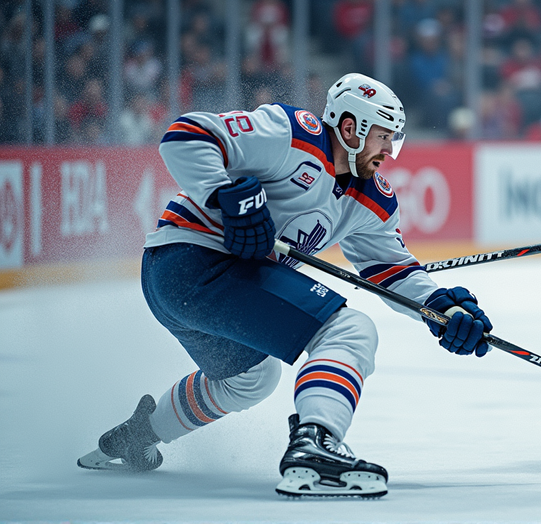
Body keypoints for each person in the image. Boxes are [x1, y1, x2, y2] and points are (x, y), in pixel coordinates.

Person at [77, 73, 494, 498]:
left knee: (252, 379)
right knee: (349, 329)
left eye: (394, 141)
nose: (389, 151)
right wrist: (225, 195)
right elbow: (186, 135)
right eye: (384, 137)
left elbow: (393, 271)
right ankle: (316, 443)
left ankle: (138, 435)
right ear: (351, 128)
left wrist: (443, 309)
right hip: (193, 261)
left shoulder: (371, 199)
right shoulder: (292, 134)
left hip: (180, 285)